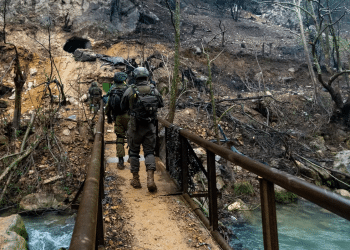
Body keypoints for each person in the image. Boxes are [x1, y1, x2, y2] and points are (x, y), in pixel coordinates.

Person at [121, 67, 164, 192]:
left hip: (135, 127)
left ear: (135, 77)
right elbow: (161, 104)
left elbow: (122, 105)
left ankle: (136, 180)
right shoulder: (153, 90)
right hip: (150, 126)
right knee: (149, 152)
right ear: (147, 77)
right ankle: (150, 180)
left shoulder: (130, 90)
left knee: (134, 152)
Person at [105, 72, 129, 170]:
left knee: (119, 138)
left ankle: (120, 161)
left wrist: (109, 117)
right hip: (129, 116)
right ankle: (132, 157)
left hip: (118, 117)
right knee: (131, 136)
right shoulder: (128, 89)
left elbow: (108, 106)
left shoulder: (112, 89)